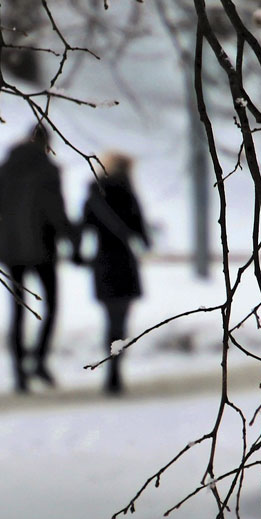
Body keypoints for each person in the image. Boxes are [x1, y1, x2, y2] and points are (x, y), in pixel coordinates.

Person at [0, 124, 78, 393]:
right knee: (51, 305)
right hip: (43, 250)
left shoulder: (3, 169)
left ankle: (18, 373)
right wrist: (72, 239)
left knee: (17, 311)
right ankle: (38, 360)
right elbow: (55, 211)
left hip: (11, 251)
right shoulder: (48, 171)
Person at [79, 152, 151, 395]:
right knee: (120, 322)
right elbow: (142, 233)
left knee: (110, 319)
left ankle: (111, 370)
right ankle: (115, 372)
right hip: (124, 263)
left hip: (103, 263)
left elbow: (83, 227)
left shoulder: (94, 195)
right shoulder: (128, 194)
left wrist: (78, 255)